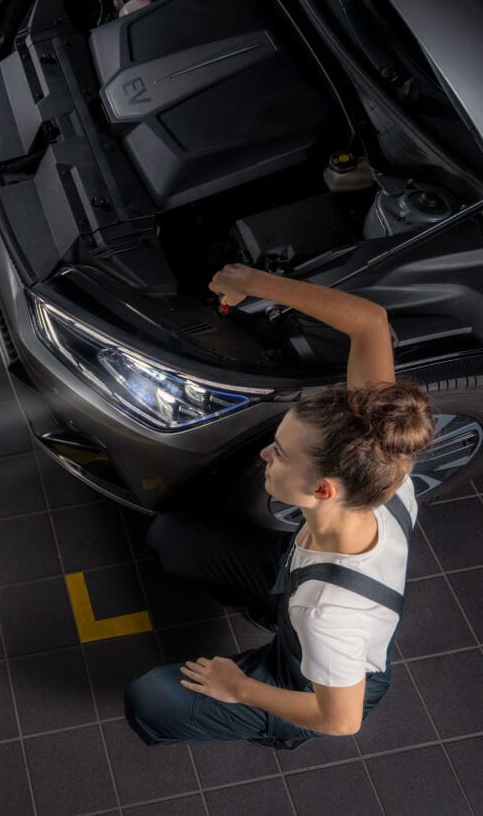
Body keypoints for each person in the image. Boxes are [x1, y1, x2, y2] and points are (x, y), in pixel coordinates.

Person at [125, 263, 435, 748]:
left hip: (316, 681)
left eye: (281, 454)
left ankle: (277, 731)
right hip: (295, 579)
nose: (266, 455)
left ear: (323, 491)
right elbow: (369, 322)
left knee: (150, 701)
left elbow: (339, 720)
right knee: (172, 537)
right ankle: (272, 612)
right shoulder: (379, 458)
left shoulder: (329, 615)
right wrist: (250, 283)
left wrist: (240, 688)